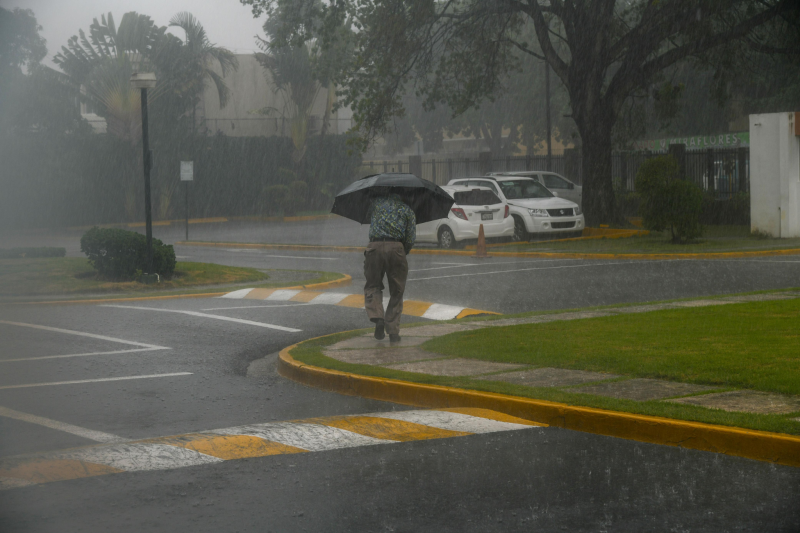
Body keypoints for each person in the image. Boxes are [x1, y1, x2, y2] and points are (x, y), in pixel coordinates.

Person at [363, 191, 416, 343]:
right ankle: (393, 331)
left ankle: (377, 317)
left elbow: (369, 220)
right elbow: (411, 238)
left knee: (372, 285)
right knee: (397, 290)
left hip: (374, 246)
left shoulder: (376, 205)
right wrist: (401, 250)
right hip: (396, 248)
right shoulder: (407, 210)